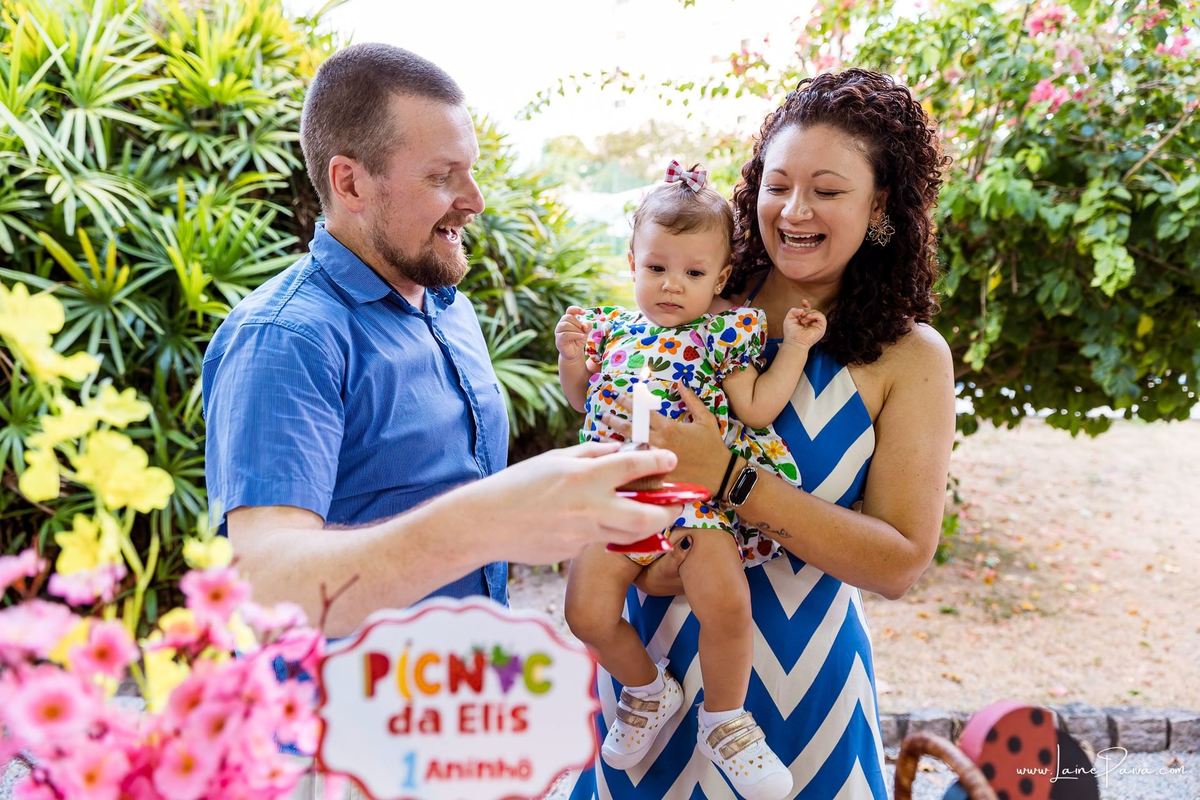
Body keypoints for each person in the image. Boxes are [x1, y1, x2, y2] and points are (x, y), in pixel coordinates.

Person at [201, 43, 682, 640]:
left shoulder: (448, 307)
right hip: (347, 725)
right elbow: (265, 588)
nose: (476, 200)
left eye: (471, 170)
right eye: (440, 176)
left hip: (466, 705)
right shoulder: (284, 338)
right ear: (350, 183)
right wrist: (490, 520)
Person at [564, 69, 956, 800]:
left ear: (881, 207)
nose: (795, 210)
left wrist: (728, 478)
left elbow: (900, 562)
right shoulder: (695, 305)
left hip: (809, 697)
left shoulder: (909, 357)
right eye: (778, 186)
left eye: (828, 191)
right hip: (656, 684)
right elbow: (605, 446)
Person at [556, 163, 825, 800]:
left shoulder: (717, 336)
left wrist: (794, 349)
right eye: (657, 269)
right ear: (632, 261)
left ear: (721, 277)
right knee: (585, 611)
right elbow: (581, 401)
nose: (673, 286)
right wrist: (572, 359)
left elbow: (755, 409)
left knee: (728, 602)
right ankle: (648, 689)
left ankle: (726, 721)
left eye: (694, 273)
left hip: (695, 501)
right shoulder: (612, 332)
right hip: (616, 499)